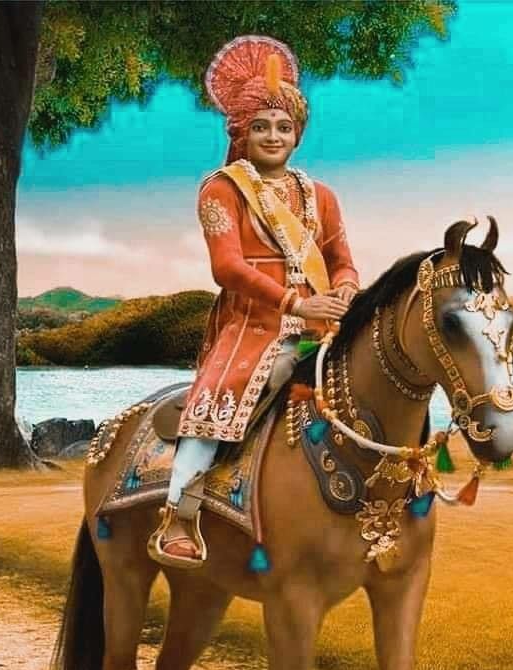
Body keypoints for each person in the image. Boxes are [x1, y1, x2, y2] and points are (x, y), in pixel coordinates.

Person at [148, 35, 360, 568]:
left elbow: (340, 257)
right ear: (240, 131)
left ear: (297, 135)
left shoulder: (322, 195)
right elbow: (228, 268)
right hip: (252, 324)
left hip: (323, 320)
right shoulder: (221, 189)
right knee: (218, 401)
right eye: (260, 126)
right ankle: (181, 514)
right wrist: (296, 304)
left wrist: (347, 292)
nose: (272, 135)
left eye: (283, 127)